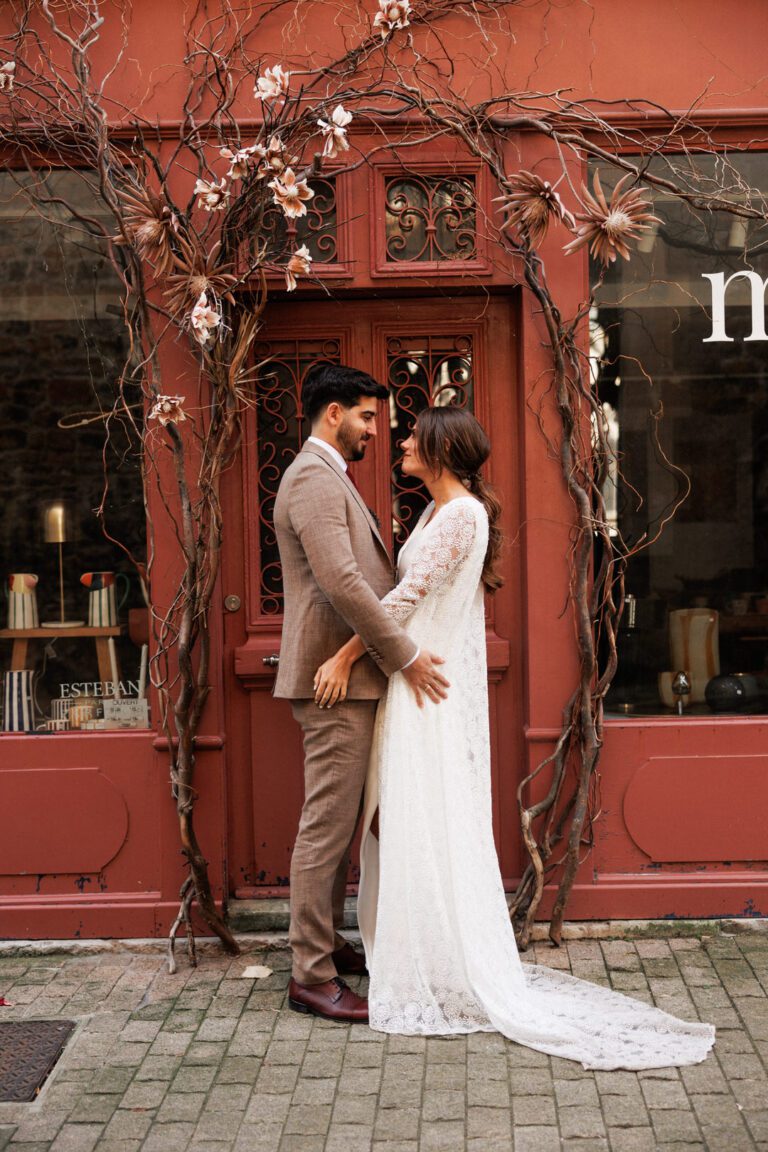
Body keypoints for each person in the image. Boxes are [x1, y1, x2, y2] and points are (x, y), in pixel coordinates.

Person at [312, 406, 716, 1069]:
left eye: (413, 436)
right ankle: (425, 948)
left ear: (441, 450)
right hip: (414, 683)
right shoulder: (434, 512)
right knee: (401, 819)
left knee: (421, 817)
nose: (402, 442)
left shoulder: (463, 515)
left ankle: (444, 960)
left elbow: (405, 600)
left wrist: (346, 656)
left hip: (427, 689)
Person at [273, 364, 451, 1023]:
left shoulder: (328, 477)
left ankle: (328, 944)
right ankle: (310, 977)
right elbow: (344, 584)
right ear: (333, 416)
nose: (377, 429)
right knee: (327, 827)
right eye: (368, 417)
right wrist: (402, 655)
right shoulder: (313, 481)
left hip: (351, 676)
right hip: (334, 681)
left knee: (347, 822)